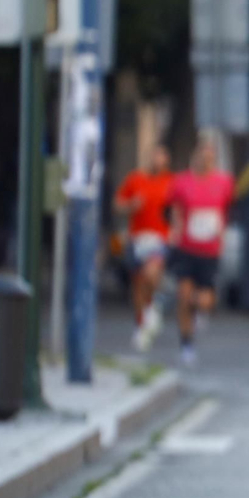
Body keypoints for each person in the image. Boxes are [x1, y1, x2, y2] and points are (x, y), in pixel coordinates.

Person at [165, 132, 236, 367]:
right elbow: (170, 208)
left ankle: (197, 310)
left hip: (210, 251)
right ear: (194, 157)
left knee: (204, 301)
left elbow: (228, 208)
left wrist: (221, 232)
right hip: (186, 248)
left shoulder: (224, 183)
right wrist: (174, 227)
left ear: (214, 160)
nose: (204, 162)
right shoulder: (182, 182)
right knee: (183, 296)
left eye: (209, 158)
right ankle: (186, 344)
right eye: (201, 157)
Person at [114, 143, 174, 351]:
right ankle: (141, 323)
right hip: (137, 238)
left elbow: (179, 208)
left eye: (161, 156)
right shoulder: (135, 179)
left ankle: (154, 306)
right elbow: (118, 204)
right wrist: (131, 205)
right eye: (154, 155)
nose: (157, 160)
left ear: (166, 160)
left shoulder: (171, 182)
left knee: (151, 274)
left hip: (159, 239)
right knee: (138, 284)